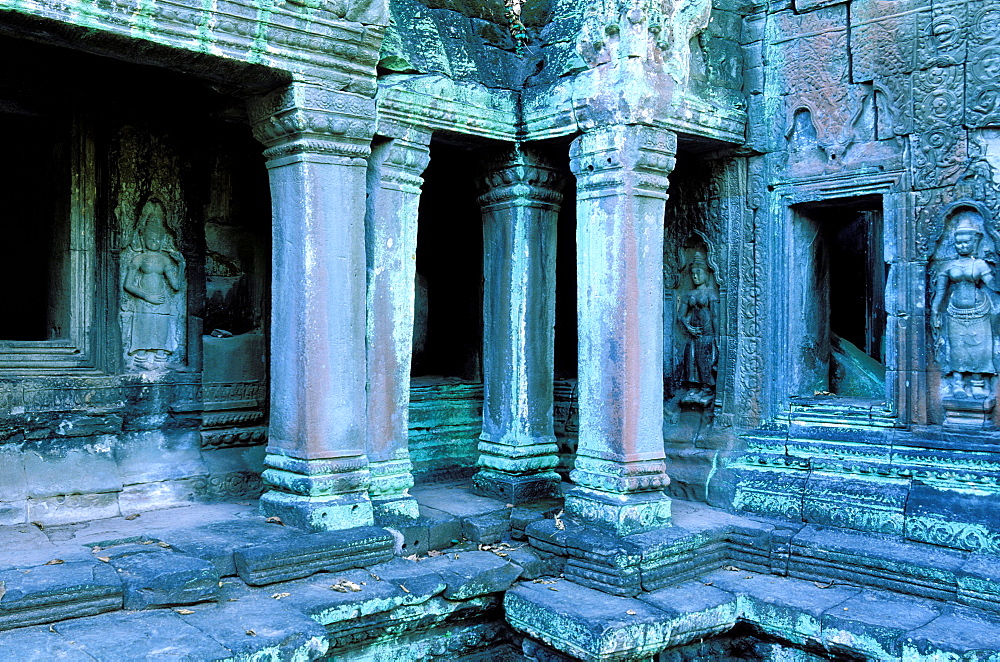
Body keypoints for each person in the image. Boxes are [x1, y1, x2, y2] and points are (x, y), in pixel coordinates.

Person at [930, 210, 998, 398]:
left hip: (979, 311)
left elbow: (993, 285)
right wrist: (935, 311)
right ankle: (958, 383)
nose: (962, 246)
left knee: (980, 349)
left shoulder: (981, 265)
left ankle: (977, 382)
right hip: (955, 311)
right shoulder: (948, 266)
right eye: (958, 242)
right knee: (957, 348)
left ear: (975, 242)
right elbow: (940, 292)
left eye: (966, 242)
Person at [123, 199, 184, 368]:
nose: (154, 241)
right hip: (143, 299)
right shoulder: (138, 259)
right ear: (143, 238)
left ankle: (161, 359)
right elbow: (128, 285)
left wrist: (181, 265)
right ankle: (141, 359)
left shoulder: (165, 260)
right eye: (151, 238)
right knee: (144, 327)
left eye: (158, 238)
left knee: (162, 329)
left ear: (163, 239)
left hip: (162, 299)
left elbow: (176, 286)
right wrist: (147, 296)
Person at [679, 251, 718, 406]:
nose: (695, 276)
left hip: (707, 333)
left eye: (698, 272)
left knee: (704, 361)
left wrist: (717, 336)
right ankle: (693, 387)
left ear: (706, 274)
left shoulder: (710, 294)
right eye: (693, 273)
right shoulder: (689, 295)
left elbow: (715, 316)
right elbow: (680, 316)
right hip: (693, 333)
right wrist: (688, 327)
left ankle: (706, 388)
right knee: (691, 360)